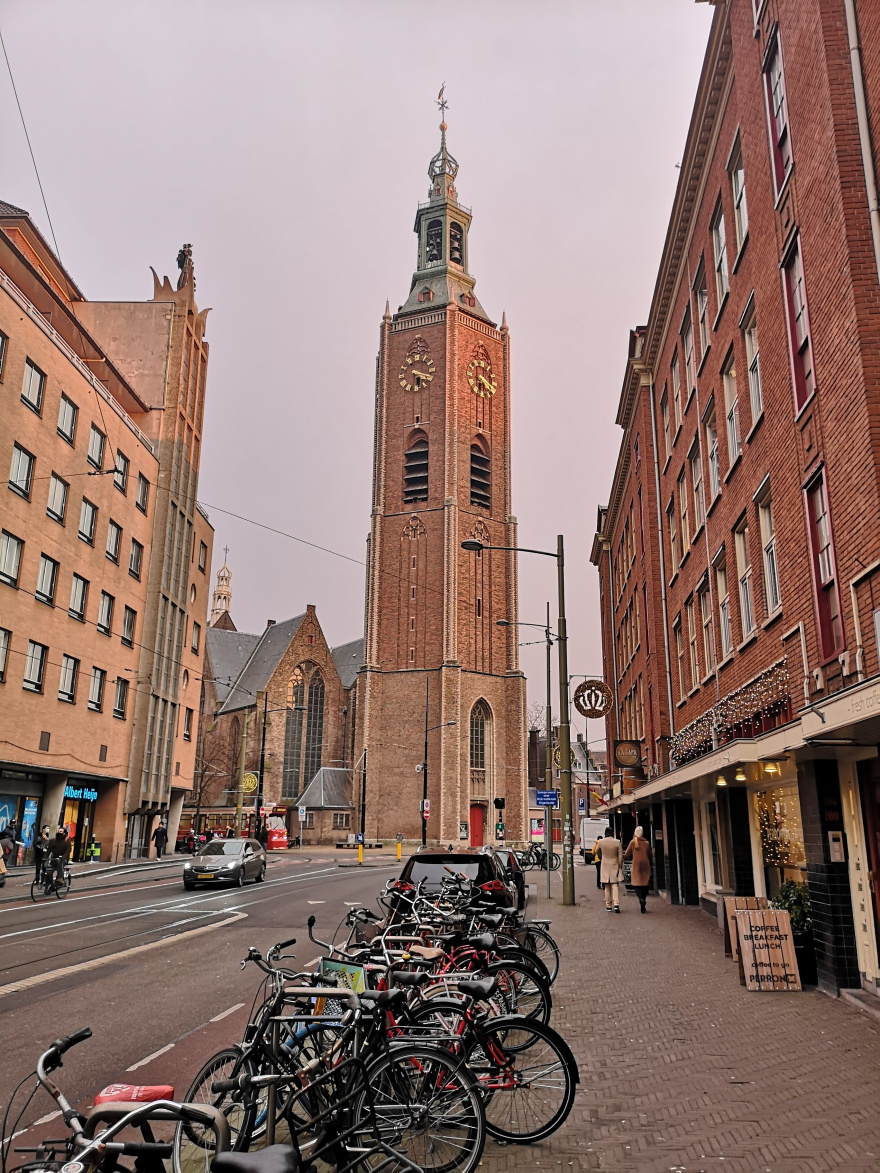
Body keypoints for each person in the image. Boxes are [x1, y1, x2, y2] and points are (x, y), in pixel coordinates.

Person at [625, 826, 654, 913]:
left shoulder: (633, 842)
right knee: (645, 884)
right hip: (645, 865)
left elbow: (627, 854)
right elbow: (649, 854)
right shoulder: (646, 843)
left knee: (636, 884)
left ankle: (640, 898)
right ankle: (643, 899)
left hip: (637, 865)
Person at [595, 826, 623, 913]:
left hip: (605, 865)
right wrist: (620, 865)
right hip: (614, 864)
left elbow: (596, 851)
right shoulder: (617, 842)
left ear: (605, 833)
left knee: (607, 887)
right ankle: (616, 904)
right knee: (615, 886)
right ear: (612, 833)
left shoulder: (601, 842)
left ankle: (608, 905)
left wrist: (601, 856)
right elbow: (620, 856)